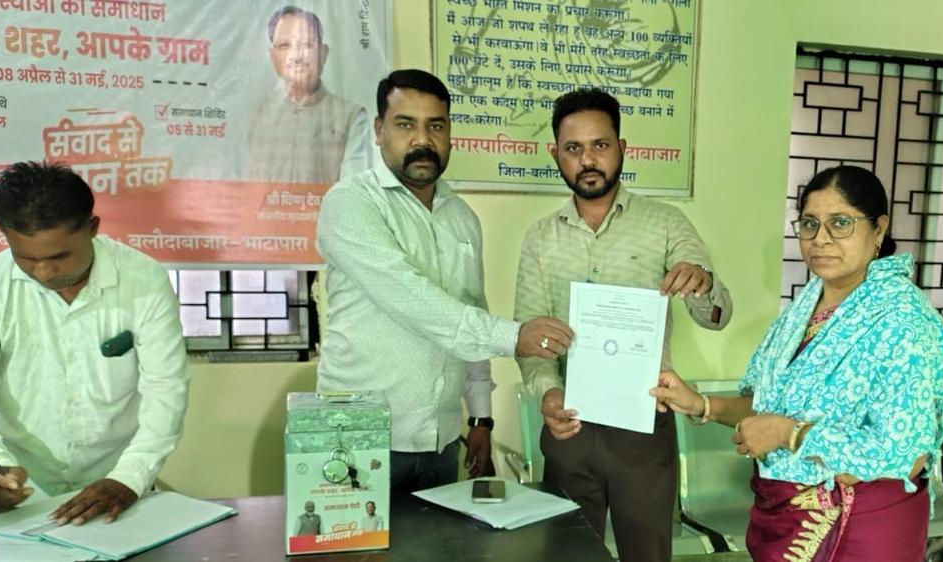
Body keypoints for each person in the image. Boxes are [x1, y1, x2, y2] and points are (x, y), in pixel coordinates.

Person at [652, 165, 943, 562]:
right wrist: (702, 405)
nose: (821, 239)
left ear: (879, 229)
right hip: (787, 522)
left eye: (841, 223)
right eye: (810, 224)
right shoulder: (807, 305)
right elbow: (768, 409)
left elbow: (906, 454)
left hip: (862, 532)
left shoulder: (903, 319)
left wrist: (790, 434)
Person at [316, 69, 574, 492]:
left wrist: (480, 418)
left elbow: (470, 310)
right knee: (355, 540)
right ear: (379, 130)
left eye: (435, 126)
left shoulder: (462, 219)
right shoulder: (350, 203)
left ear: (449, 132)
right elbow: (414, 301)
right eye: (405, 124)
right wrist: (514, 336)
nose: (423, 140)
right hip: (359, 439)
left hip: (441, 441)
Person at [514, 88, 733, 561]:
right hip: (570, 425)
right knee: (569, 555)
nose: (587, 160)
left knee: (647, 554)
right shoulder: (539, 239)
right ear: (555, 154)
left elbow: (715, 316)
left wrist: (702, 282)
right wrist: (547, 393)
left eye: (600, 145)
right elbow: (530, 339)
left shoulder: (667, 223)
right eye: (573, 148)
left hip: (644, 426)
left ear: (622, 148)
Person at [0, 162, 190, 525]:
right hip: (24, 487)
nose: (44, 272)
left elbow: (165, 387)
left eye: (59, 257)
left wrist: (129, 477)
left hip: (118, 481)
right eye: (26, 258)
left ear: (92, 228)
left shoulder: (143, 281)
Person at [247, 5, 370, 185]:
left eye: (305, 45)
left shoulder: (351, 117)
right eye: (284, 46)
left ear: (324, 53)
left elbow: (353, 190)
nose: (296, 56)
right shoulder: (255, 117)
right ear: (272, 56)